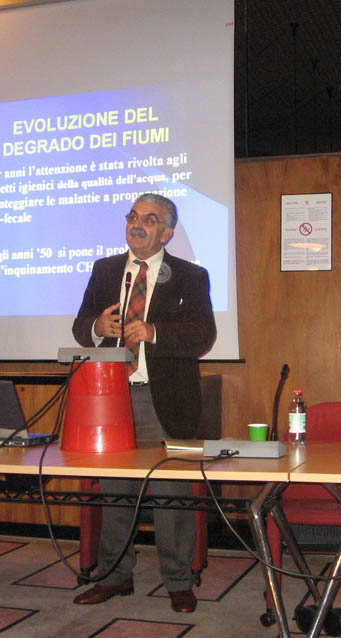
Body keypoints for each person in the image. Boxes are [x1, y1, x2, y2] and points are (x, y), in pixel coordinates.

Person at [70, 193, 216, 613]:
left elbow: (204, 335)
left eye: (149, 219)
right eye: (133, 216)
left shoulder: (191, 276)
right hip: (111, 399)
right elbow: (81, 326)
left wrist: (154, 333)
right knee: (116, 493)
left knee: (171, 495)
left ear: (166, 232)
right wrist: (97, 326)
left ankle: (178, 581)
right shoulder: (105, 270)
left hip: (162, 398)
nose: (137, 224)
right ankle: (114, 576)